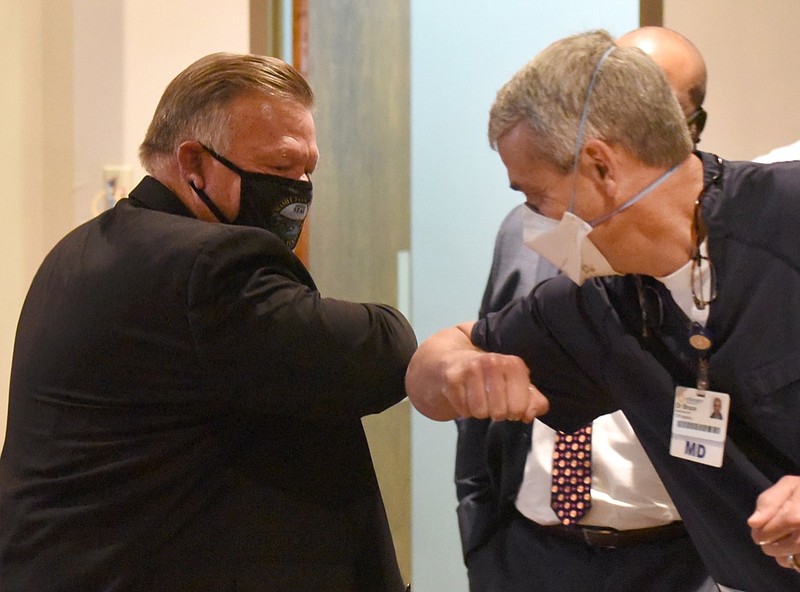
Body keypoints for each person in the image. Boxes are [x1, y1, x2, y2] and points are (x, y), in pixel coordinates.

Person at [0, 53, 416, 592]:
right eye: (280, 169)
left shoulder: (83, 248)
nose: (300, 190)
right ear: (193, 162)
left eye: (308, 169)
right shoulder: (208, 267)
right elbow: (375, 351)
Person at [406, 30, 800, 592]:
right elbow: (435, 364)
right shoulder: (601, 303)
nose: (533, 224)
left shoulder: (786, 216)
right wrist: (458, 370)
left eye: (535, 197)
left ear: (600, 167)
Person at [455, 26, 715, 592]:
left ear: (687, 127)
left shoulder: (727, 252)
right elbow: (484, 363)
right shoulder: (534, 231)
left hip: (676, 556)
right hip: (532, 551)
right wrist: (481, 536)